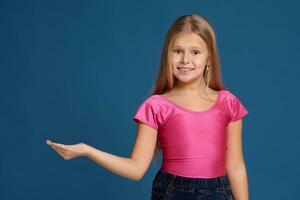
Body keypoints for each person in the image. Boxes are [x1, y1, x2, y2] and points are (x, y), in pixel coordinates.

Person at [46, 14, 249, 200]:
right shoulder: (156, 106)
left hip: (217, 192)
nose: (186, 60)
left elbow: (236, 166)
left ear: (209, 59)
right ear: (167, 55)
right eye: (177, 51)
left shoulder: (228, 103)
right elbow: (136, 169)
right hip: (171, 192)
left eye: (195, 52)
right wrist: (86, 150)